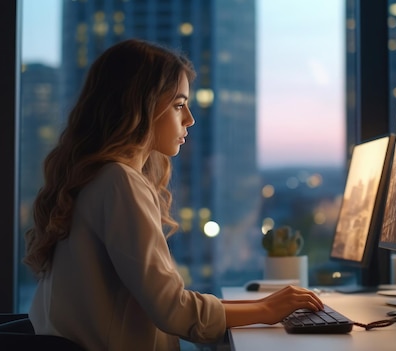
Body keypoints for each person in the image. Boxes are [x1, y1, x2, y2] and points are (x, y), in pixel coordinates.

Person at [23, 38, 324, 351]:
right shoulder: (118, 182)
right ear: (139, 105)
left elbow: (165, 304)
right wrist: (267, 309)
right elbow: (173, 311)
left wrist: (260, 307)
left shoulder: (96, 178)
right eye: (179, 105)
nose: (190, 119)